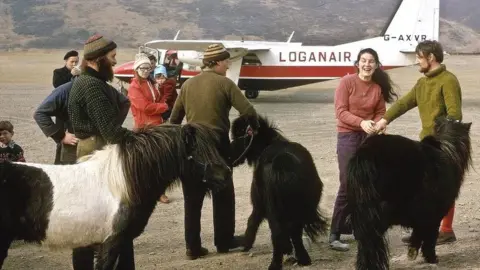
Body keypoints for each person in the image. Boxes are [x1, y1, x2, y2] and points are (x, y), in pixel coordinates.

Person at [169, 43, 258, 259]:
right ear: (217, 62)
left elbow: (174, 121)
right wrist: (248, 133)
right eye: (226, 61)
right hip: (218, 147)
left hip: (191, 148)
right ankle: (224, 241)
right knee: (224, 196)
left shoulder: (188, 85)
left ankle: (193, 246)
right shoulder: (225, 84)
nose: (228, 65)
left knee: (192, 199)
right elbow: (249, 112)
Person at [375, 40, 461, 245]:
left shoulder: (448, 80)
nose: (416, 62)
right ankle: (422, 230)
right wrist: (384, 120)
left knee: (444, 188)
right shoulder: (422, 83)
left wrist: (444, 143)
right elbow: (405, 102)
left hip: (443, 146)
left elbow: (455, 114)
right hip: (426, 144)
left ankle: (446, 230)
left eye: (419, 57)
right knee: (424, 189)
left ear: (430, 58)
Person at [67, 34, 132, 270]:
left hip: (94, 152)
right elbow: (112, 132)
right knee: (104, 219)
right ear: (98, 59)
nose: (115, 62)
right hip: (96, 155)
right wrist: (141, 139)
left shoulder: (89, 82)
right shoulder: (92, 86)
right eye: (112, 57)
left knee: (91, 220)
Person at [330, 48, 398, 251]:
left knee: (368, 183)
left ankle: (359, 228)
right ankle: (335, 233)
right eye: (363, 61)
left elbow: (380, 112)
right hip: (348, 136)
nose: (367, 64)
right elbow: (340, 111)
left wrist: (378, 124)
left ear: (376, 65)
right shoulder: (346, 82)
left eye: (371, 61)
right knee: (348, 182)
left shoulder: (377, 88)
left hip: (369, 137)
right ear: (357, 63)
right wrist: (361, 123)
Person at [127, 53, 171, 204]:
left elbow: (155, 99)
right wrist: (163, 107)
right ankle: (142, 192)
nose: (146, 70)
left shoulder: (149, 83)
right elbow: (144, 107)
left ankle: (159, 192)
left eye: (148, 67)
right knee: (146, 163)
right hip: (144, 128)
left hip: (156, 126)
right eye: (142, 68)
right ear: (136, 68)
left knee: (158, 162)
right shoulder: (134, 87)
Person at [34, 69, 82, 165]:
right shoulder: (64, 90)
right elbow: (40, 114)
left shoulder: (99, 89)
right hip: (72, 146)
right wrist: (61, 136)